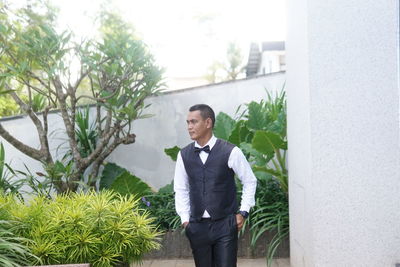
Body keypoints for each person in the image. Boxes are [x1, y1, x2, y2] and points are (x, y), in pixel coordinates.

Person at [174, 104, 257, 267]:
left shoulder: (231, 151)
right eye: (188, 122)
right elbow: (181, 188)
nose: (189, 127)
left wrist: (243, 212)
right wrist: (185, 221)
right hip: (197, 226)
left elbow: (250, 180)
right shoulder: (183, 155)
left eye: (194, 122)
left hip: (225, 224)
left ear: (208, 122)